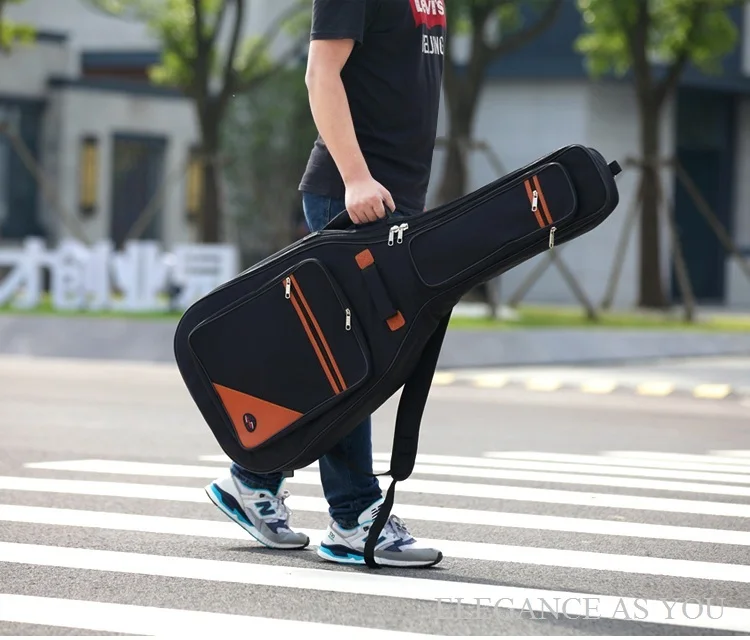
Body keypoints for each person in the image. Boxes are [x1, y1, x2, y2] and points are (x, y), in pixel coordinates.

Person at [206, 0, 447, 568]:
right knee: (354, 362)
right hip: (354, 195)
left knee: (342, 360)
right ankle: (352, 516)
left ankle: (254, 477)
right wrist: (355, 177)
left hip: (392, 199)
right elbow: (320, 73)